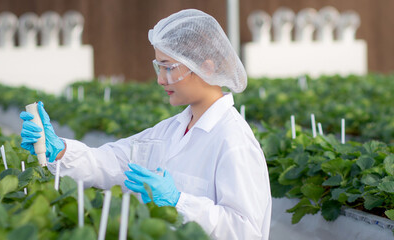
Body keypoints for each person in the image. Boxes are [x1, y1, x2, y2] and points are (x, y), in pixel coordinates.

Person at [19, 9, 272, 239]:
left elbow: (246, 231)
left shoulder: (233, 141)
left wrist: (178, 202)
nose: (161, 80)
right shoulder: (171, 129)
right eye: (158, 67)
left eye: (168, 68)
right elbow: (116, 162)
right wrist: (60, 150)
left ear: (205, 67)